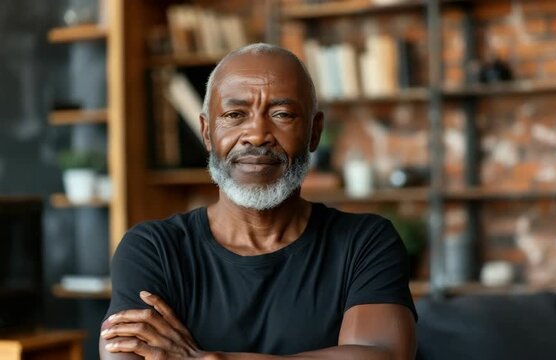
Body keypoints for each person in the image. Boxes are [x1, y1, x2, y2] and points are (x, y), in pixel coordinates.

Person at [99, 43, 417, 360]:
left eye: (282, 114)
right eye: (235, 115)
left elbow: (383, 356)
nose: (257, 135)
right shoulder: (154, 248)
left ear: (314, 132)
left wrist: (208, 359)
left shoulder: (364, 242)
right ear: (207, 133)